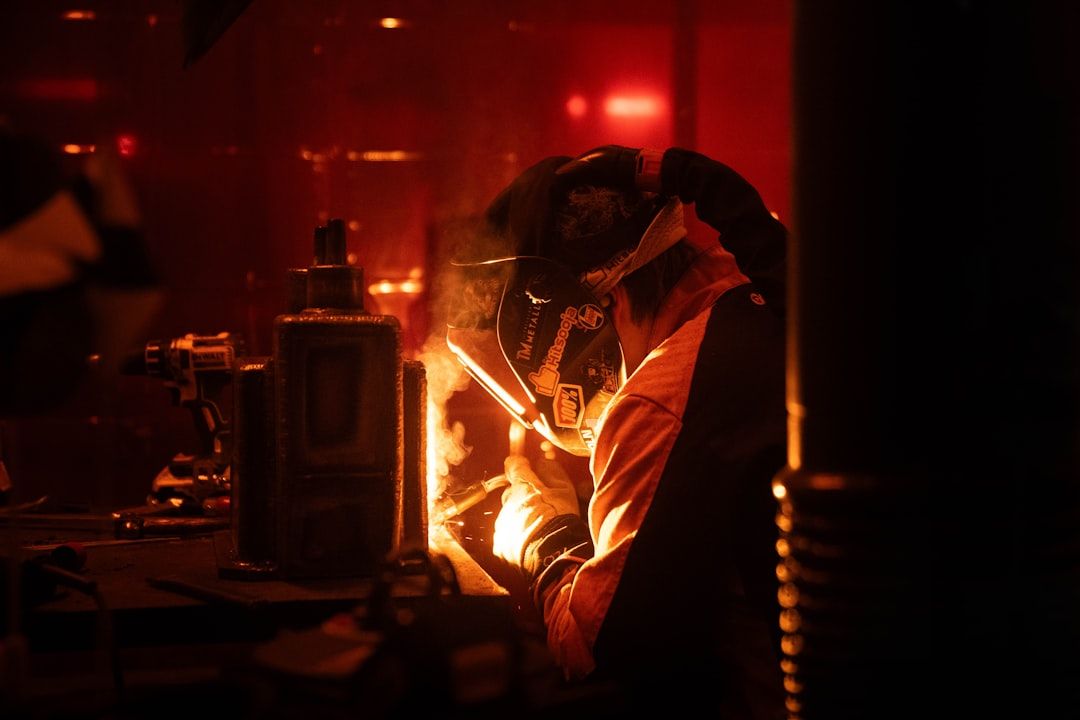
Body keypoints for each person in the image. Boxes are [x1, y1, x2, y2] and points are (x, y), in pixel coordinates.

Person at [444, 145, 787, 715]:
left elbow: (601, 650)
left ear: (589, 312)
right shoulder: (760, 294)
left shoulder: (661, 399)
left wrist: (546, 537)